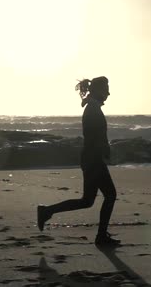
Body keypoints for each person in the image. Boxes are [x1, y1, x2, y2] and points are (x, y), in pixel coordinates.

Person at [37, 76, 120, 246]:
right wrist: (104, 151)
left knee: (87, 201)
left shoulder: (92, 107)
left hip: (91, 159)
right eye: (106, 90)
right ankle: (101, 236)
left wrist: (103, 150)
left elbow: (96, 136)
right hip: (93, 160)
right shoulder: (93, 109)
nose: (108, 93)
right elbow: (93, 137)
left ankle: (47, 211)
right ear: (97, 91)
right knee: (109, 195)